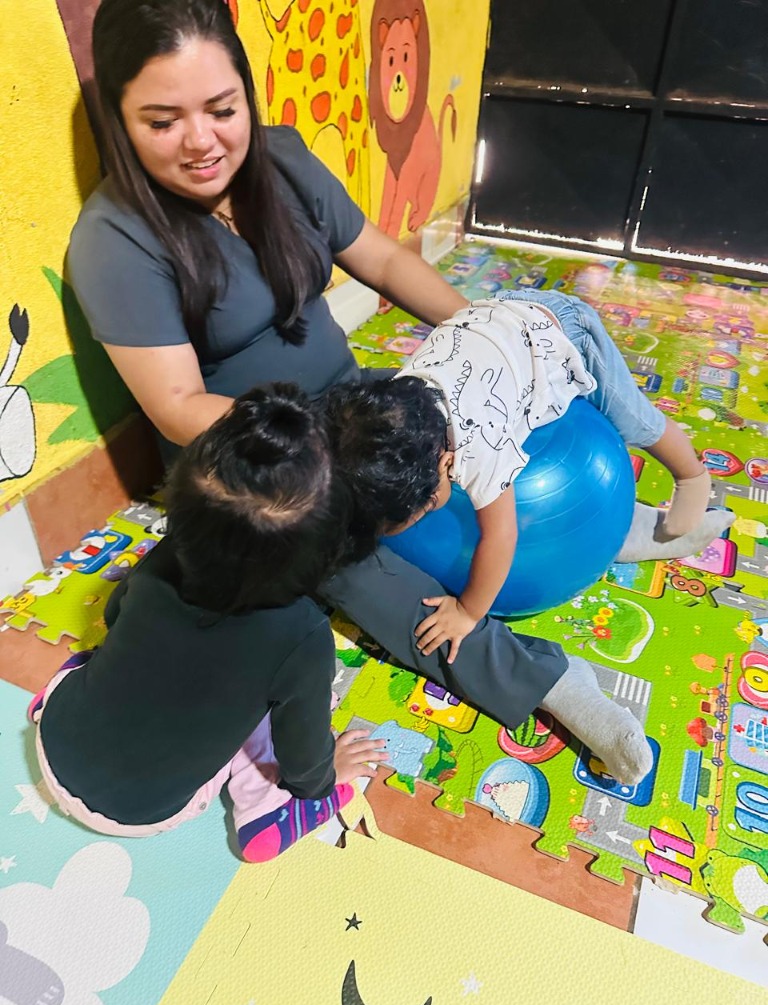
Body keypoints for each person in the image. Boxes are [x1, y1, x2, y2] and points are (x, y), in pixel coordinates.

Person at [65, 0, 709, 786]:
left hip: (356, 397)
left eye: (221, 109)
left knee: (476, 428)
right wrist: (329, 440)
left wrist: (490, 338)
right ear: (120, 120)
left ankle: (606, 524)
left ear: (245, 93)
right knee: (357, 564)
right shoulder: (113, 239)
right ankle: (550, 683)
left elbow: (387, 264)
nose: (202, 141)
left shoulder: (280, 159)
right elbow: (175, 406)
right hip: (258, 458)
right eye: (163, 120)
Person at [30, 385, 387, 862]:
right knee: (274, 715)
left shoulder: (163, 559)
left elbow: (115, 617)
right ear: (325, 559)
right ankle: (265, 811)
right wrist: (325, 778)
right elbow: (303, 759)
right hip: (148, 811)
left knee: (121, 652)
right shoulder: (303, 638)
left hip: (54, 742)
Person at [323, 292, 734, 662]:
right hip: (500, 324)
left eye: (422, 509)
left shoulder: (479, 449)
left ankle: (692, 474)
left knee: (633, 420)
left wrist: (467, 612)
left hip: (564, 329)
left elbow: (502, 537)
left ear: (443, 469)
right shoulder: (395, 400)